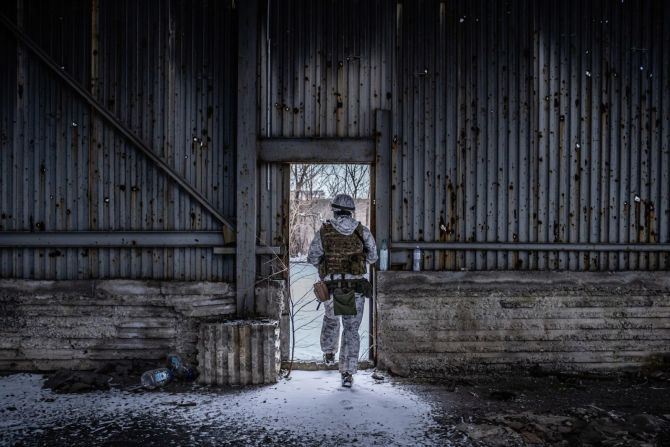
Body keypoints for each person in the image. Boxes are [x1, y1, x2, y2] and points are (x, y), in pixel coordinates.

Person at [307, 194, 378, 387]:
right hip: (355, 290)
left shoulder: (325, 231)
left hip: (332, 289)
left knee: (331, 319)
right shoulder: (362, 232)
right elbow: (373, 257)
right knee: (351, 329)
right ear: (351, 211)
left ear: (335, 210)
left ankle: (329, 351)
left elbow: (312, 257)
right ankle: (347, 372)